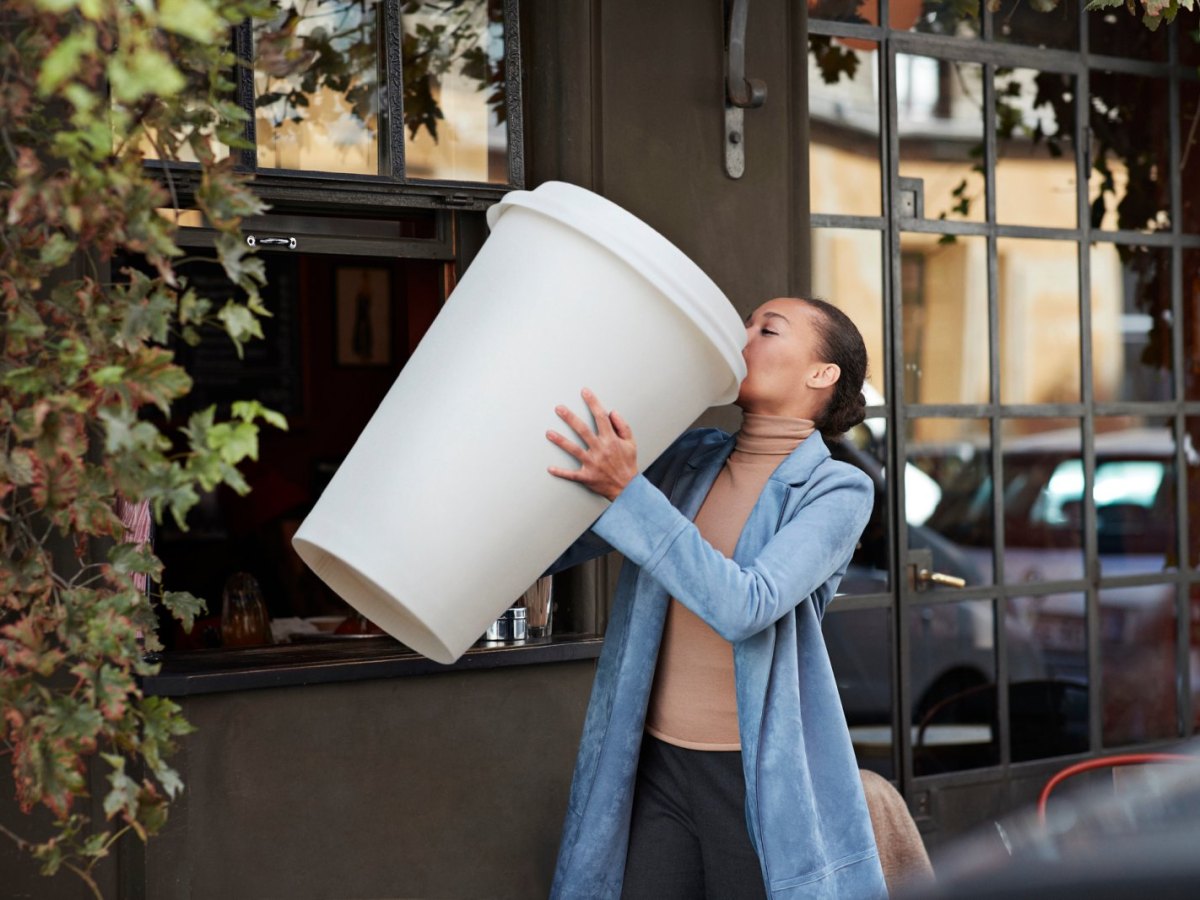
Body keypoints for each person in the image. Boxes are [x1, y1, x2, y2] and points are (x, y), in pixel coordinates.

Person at [543, 297, 887, 899]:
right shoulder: (692, 456)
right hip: (654, 759)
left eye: (767, 329)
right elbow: (562, 545)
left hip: (753, 773)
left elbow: (746, 606)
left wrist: (628, 494)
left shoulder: (837, 488)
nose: (743, 336)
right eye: (746, 324)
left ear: (821, 373)